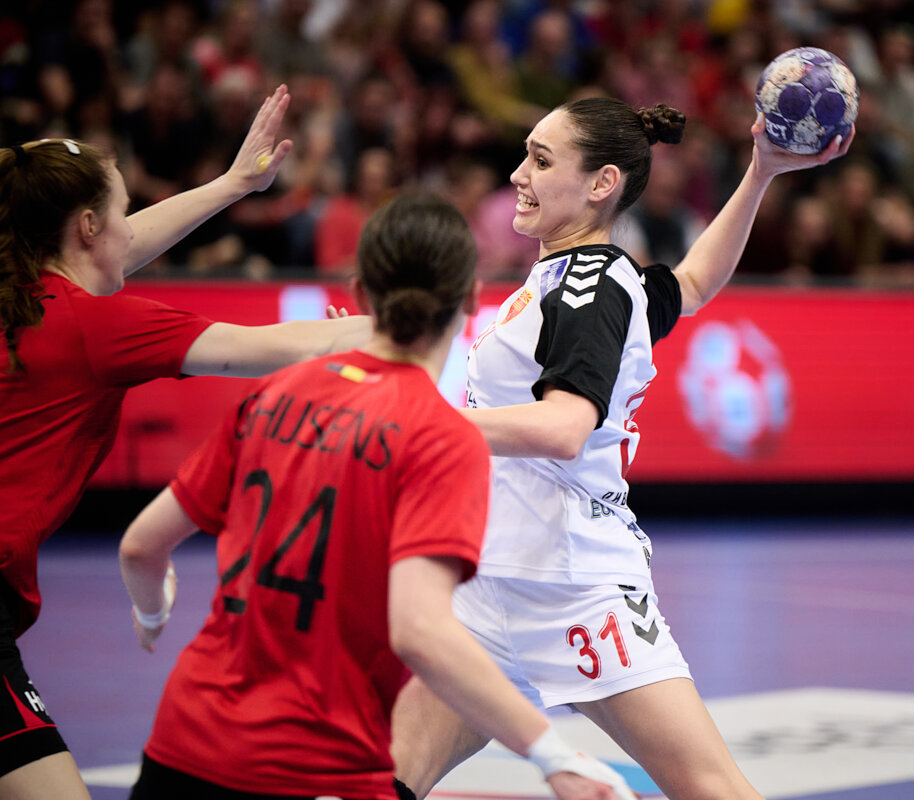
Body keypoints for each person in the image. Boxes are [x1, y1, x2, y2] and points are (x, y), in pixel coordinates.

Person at [387, 98, 852, 800]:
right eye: (525, 154)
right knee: (389, 777)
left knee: (711, 789)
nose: (517, 174)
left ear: (601, 183)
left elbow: (563, 428)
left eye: (541, 161)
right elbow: (690, 284)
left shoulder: (591, 286)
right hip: (489, 582)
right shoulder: (572, 276)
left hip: (572, 586)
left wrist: (420, 422)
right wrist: (759, 172)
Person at [118, 192, 635, 800]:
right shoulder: (442, 439)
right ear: (472, 299)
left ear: (361, 295)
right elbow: (419, 629)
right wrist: (552, 755)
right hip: (314, 757)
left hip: (187, 737)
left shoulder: (274, 395)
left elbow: (140, 547)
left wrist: (151, 613)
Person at [0, 84, 370, 798]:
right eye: (121, 212)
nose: (131, 229)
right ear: (86, 227)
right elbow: (278, 347)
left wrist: (233, 185)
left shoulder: (20, 285)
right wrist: (419, 316)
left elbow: (118, 247)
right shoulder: (93, 327)